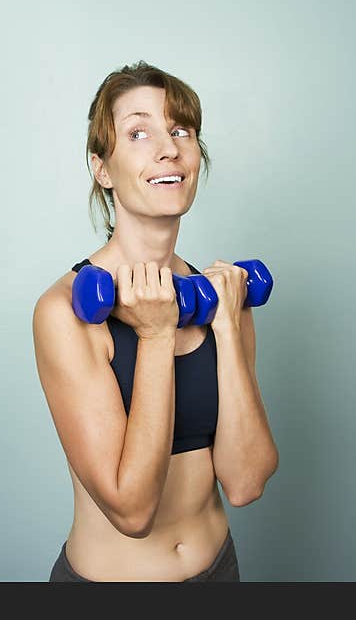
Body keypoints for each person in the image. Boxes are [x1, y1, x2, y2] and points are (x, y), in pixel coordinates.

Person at [32, 60, 279, 582]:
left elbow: (245, 482)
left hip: (219, 570)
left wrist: (228, 329)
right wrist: (156, 333)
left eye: (180, 130)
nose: (167, 147)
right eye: (138, 132)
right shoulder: (65, 313)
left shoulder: (219, 296)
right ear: (103, 168)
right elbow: (132, 511)